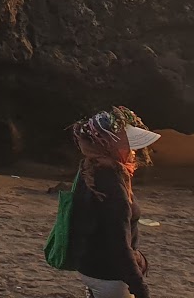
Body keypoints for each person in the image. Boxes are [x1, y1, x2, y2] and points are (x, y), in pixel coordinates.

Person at [65, 106, 159, 298]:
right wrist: (140, 289)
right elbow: (118, 244)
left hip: (90, 267)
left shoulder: (90, 168)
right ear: (108, 145)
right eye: (128, 144)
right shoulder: (110, 183)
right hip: (109, 276)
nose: (133, 152)